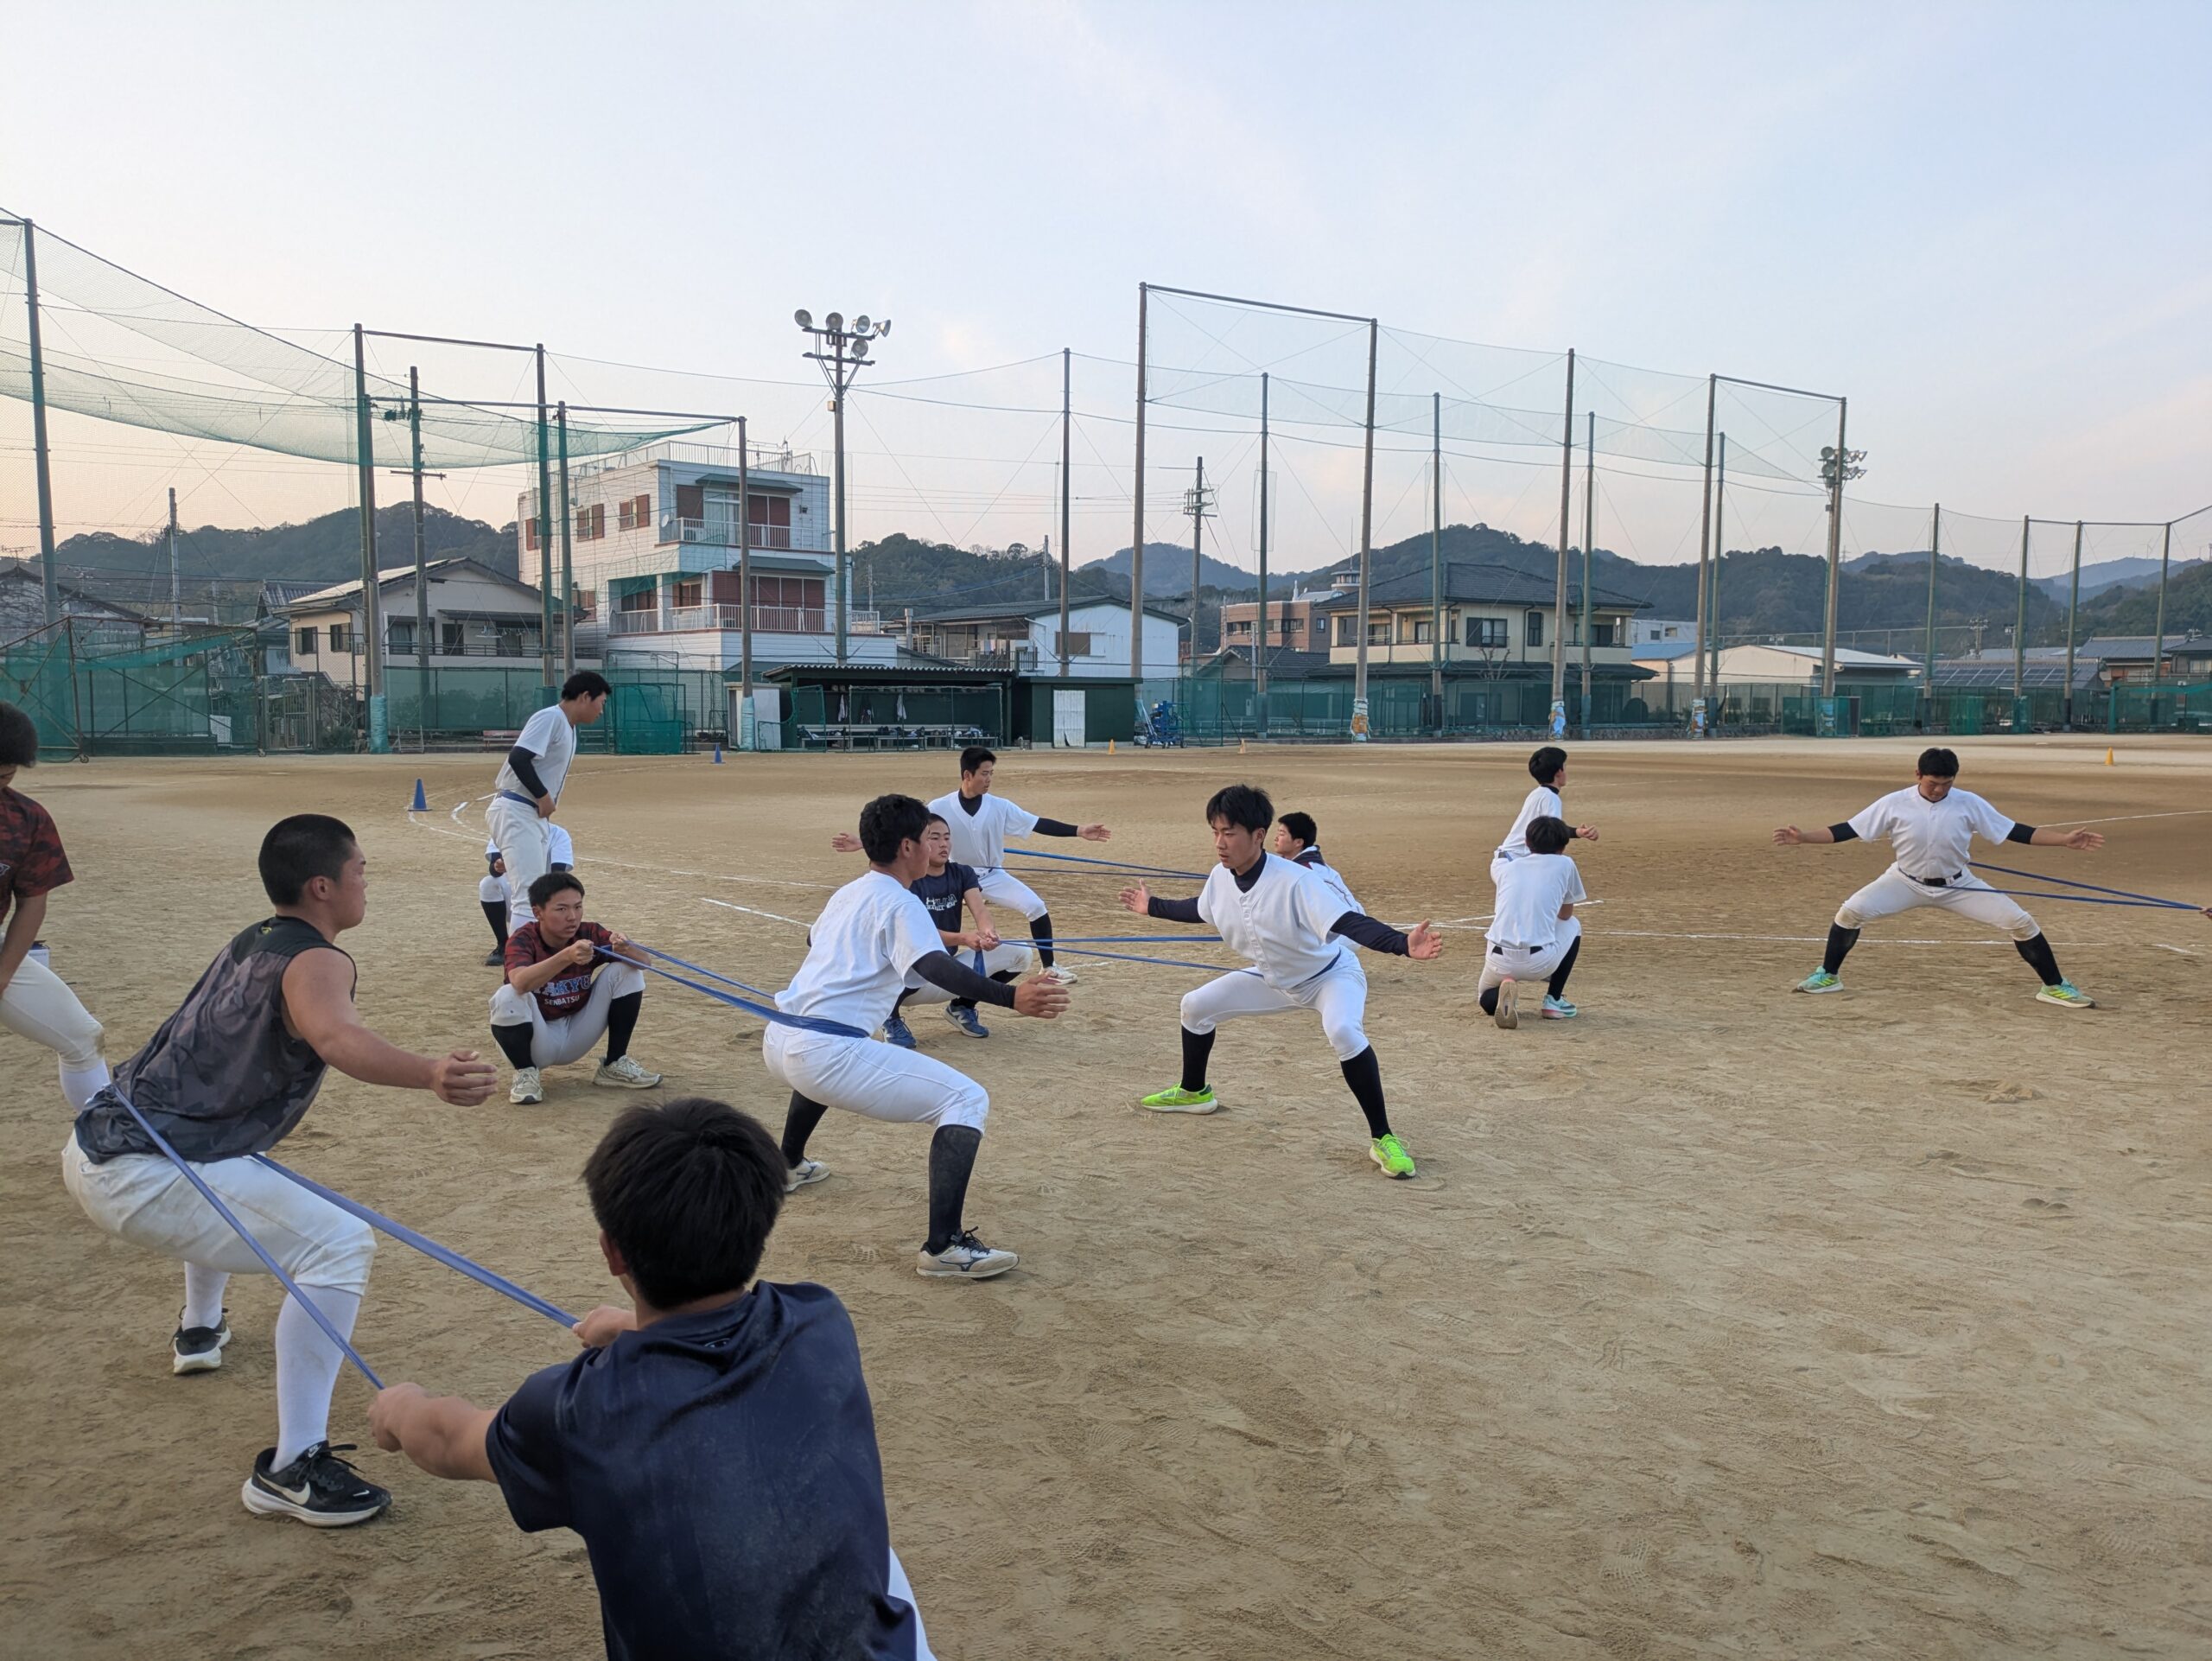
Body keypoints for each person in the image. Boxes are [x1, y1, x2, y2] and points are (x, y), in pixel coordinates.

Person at [367, 1098, 937, 1660]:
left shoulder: (583, 1410)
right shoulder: (820, 1320)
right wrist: (632, 1330)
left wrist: (400, 1408)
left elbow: (448, 1439)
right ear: (761, 1223)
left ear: (613, 1253)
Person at [61, 814, 497, 1524]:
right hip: (140, 1169)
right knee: (340, 1243)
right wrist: (430, 1074)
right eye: (360, 869)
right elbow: (335, 1036)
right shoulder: (320, 960)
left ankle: (200, 1328)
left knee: (241, 1168)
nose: (367, 880)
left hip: (102, 1143)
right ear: (322, 886)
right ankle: (293, 1467)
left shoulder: (254, 940)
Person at [772, 793, 1068, 1280]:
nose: (937, 844)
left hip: (783, 1039)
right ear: (908, 846)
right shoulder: (900, 901)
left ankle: (786, 1165)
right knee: (966, 1099)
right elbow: (932, 966)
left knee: (831, 1059)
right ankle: (944, 1247)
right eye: (928, 836)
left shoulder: (849, 891)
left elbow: (814, 939)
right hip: (822, 1051)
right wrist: (1010, 998)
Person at [1118, 784, 1442, 1180]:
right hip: (1274, 979)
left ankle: (1383, 1138)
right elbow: (1200, 909)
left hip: (1329, 978)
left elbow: (1348, 922)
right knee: (1195, 1006)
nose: (1220, 843)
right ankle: (1194, 1092)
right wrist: (1151, 906)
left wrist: (1401, 944)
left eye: (1230, 833)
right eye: (1215, 832)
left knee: (1343, 1030)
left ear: (1258, 836)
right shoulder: (1221, 878)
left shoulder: (1297, 881)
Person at [1775, 746, 2101, 1007]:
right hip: (1904, 881)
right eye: (1933, 783)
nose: (1939, 790)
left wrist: (2064, 840)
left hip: (1960, 885)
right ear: (1917, 774)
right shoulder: (1894, 803)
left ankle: (2054, 987)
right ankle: (1828, 977)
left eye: (1947, 783)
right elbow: (1848, 829)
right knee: (1850, 912)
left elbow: (2014, 830)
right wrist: (1803, 837)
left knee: (2022, 922)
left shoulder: (1969, 803)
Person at [0, 701, 111, 1110]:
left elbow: (31, 904)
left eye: (6, 775)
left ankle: (107, 1147)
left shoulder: (26, 819)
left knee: (82, 1036)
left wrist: (4, 974)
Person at [925, 745, 1108, 983]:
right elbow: (910, 834)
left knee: (1036, 906)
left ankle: (1049, 967)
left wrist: (1079, 830)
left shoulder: (1000, 806)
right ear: (967, 775)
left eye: (991, 773)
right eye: (984, 773)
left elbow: (1036, 823)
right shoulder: (938, 807)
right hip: (953, 876)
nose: (989, 779)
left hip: (992, 876)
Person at [492, 871, 663, 1105]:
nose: (572, 917)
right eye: (561, 909)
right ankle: (525, 1073)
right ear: (537, 912)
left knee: (626, 971)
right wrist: (566, 956)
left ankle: (614, 1064)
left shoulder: (589, 933)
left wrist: (627, 949)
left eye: (578, 907)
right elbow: (520, 982)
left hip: (577, 1031)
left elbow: (645, 963)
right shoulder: (523, 939)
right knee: (507, 995)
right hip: (536, 1042)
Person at [873, 813, 1033, 1047]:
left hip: (945, 973)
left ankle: (961, 1007)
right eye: (934, 838)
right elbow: (917, 933)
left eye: (947, 838)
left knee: (1020, 953)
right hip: (907, 978)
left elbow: (980, 911)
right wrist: (964, 938)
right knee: (893, 964)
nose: (943, 844)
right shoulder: (907, 880)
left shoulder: (962, 873)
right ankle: (890, 1017)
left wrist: (987, 933)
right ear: (916, 844)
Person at [486, 671, 610, 939]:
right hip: (517, 809)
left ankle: (535, 964)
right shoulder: (551, 717)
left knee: (537, 894)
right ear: (585, 697)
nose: (602, 710)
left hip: (530, 814)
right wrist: (543, 795)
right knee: (526, 896)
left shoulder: (567, 725)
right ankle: (519, 973)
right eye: (601, 702)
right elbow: (519, 758)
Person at [1478, 816, 1586, 1028]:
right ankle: (1554, 1001)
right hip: (1538, 961)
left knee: (1485, 997)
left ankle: (1503, 991)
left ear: (1527, 843)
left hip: (1498, 957)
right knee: (1574, 925)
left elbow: (1500, 856)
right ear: (1564, 846)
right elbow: (1565, 915)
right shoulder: (1565, 864)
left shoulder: (1507, 868)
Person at [1491, 746, 1598, 885]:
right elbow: (1552, 833)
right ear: (1559, 772)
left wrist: (1577, 832)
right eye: (1565, 767)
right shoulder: (1550, 798)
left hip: (1509, 861)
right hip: (1515, 863)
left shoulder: (1539, 793)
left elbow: (1552, 828)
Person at [480, 823, 575, 966]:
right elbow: (494, 870)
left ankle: (551, 945)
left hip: (543, 900)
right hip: (513, 898)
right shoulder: (504, 828)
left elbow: (558, 875)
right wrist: (498, 865)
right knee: (488, 884)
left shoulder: (558, 834)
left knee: (528, 952)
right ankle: (502, 945)